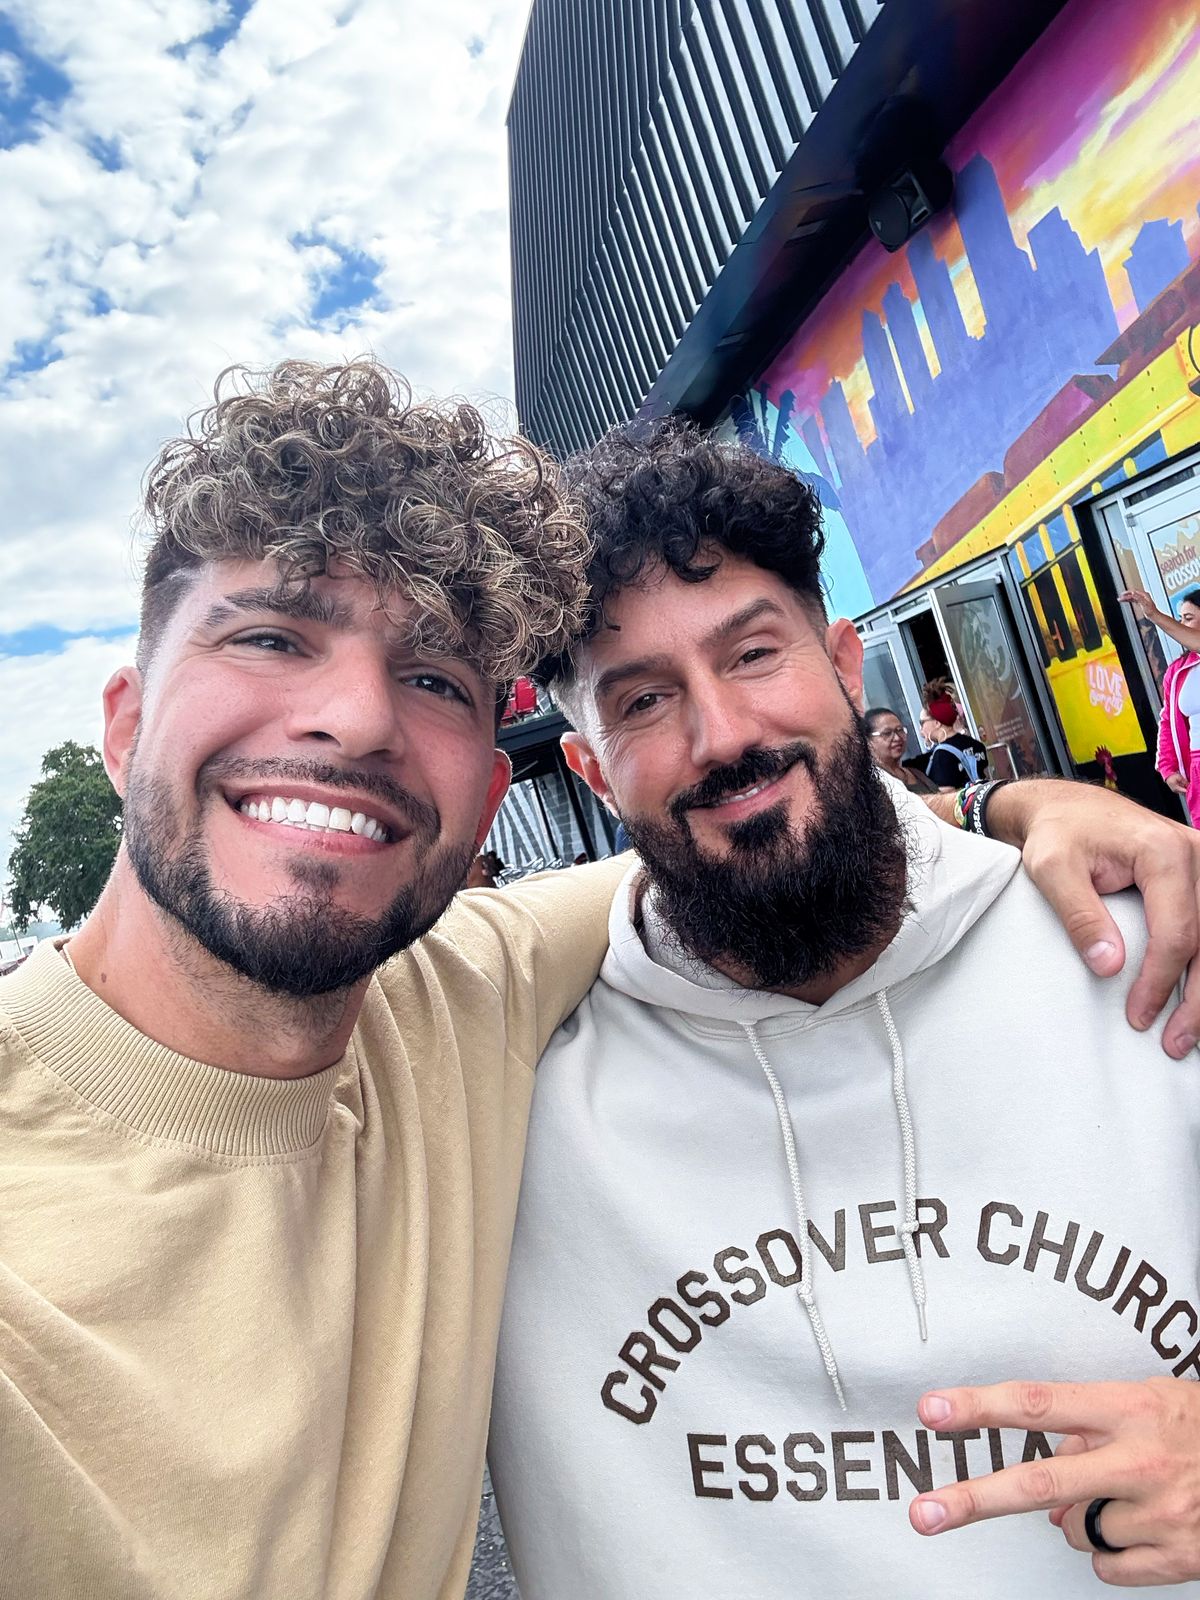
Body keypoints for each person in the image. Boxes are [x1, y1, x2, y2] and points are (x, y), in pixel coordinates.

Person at [2, 366, 1200, 1600]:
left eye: (433, 678)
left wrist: (1017, 806)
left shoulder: (470, 1004)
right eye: (270, 635)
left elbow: (784, 828)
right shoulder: (513, 1029)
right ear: (123, 724)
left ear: (488, 798)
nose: (356, 719)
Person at [489, 420, 1200, 1598]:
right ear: (593, 769)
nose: (723, 734)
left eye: (754, 654)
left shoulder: (1148, 946)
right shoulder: (496, 1080)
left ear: (843, 661)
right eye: (645, 699)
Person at [1121, 588, 1200, 826]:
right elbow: (1167, 722)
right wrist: (1168, 768)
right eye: (1179, 619)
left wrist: (1153, 614)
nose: (1181, 625)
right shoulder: (1178, 671)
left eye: (1188, 618)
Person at [920, 677, 990, 789]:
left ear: (937, 722)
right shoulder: (976, 745)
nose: (921, 729)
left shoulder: (942, 756)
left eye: (922, 722)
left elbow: (947, 796)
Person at [864, 706, 939, 794]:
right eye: (887, 733)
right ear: (868, 741)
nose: (897, 738)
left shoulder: (916, 774)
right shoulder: (872, 783)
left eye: (900, 730)